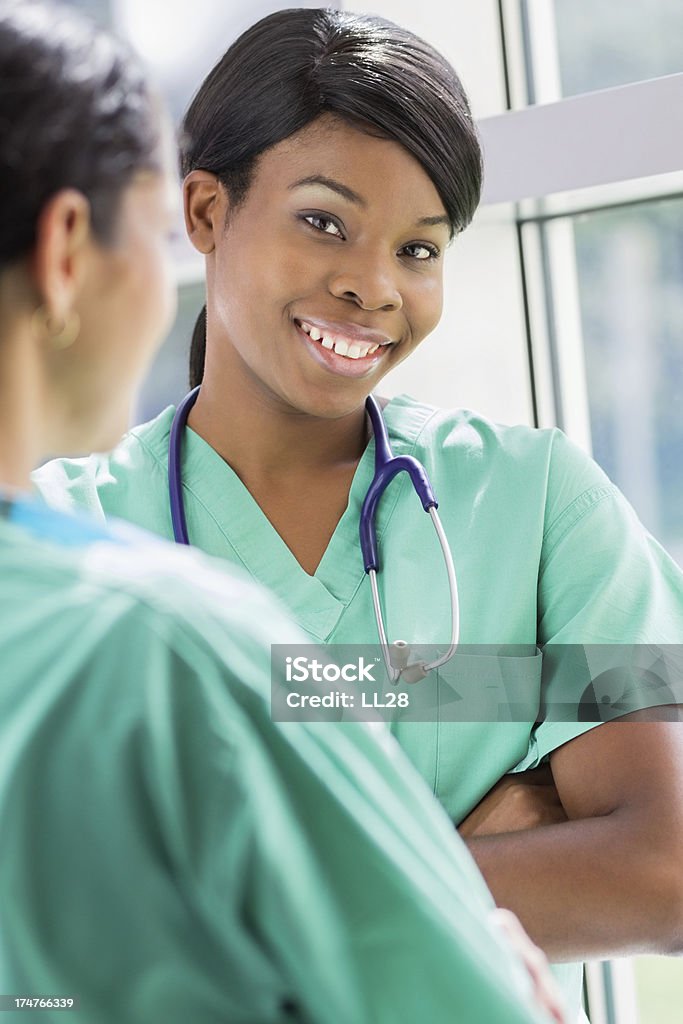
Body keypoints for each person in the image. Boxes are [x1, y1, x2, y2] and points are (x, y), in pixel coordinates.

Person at [32, 5, 683, 1022]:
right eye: (324, 221)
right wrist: (483, 852)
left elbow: (664, 870)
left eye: (417, 251)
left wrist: (236, 900)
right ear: (206, 212)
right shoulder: (67, 533)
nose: (371, 286)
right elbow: (52, 935)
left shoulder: (544, 501)